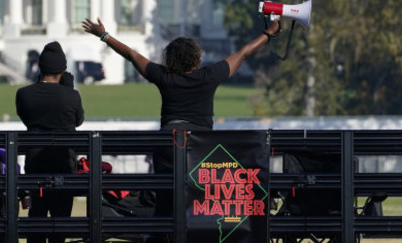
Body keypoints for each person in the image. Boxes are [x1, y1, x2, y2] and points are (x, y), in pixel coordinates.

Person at [81, 16, 280, 236]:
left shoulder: (164, 77)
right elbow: (243, 53)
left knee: (165, 202)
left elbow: (132, 55)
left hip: (167, 145)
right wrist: (269, 33)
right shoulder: (209, 76)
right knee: (201, 202)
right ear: (196, 59)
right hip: (201, 149)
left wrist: (104, 35)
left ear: (170, 60)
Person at [15, 41, 85, 243]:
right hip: (64, 164)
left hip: (35, 165)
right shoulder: (72, 96)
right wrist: (68, 88)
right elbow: (78, 121)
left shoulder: (23, 94)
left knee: (36, 218)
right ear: (62, 70)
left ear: (40, 68)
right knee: (60, 220)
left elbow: (27, 118)